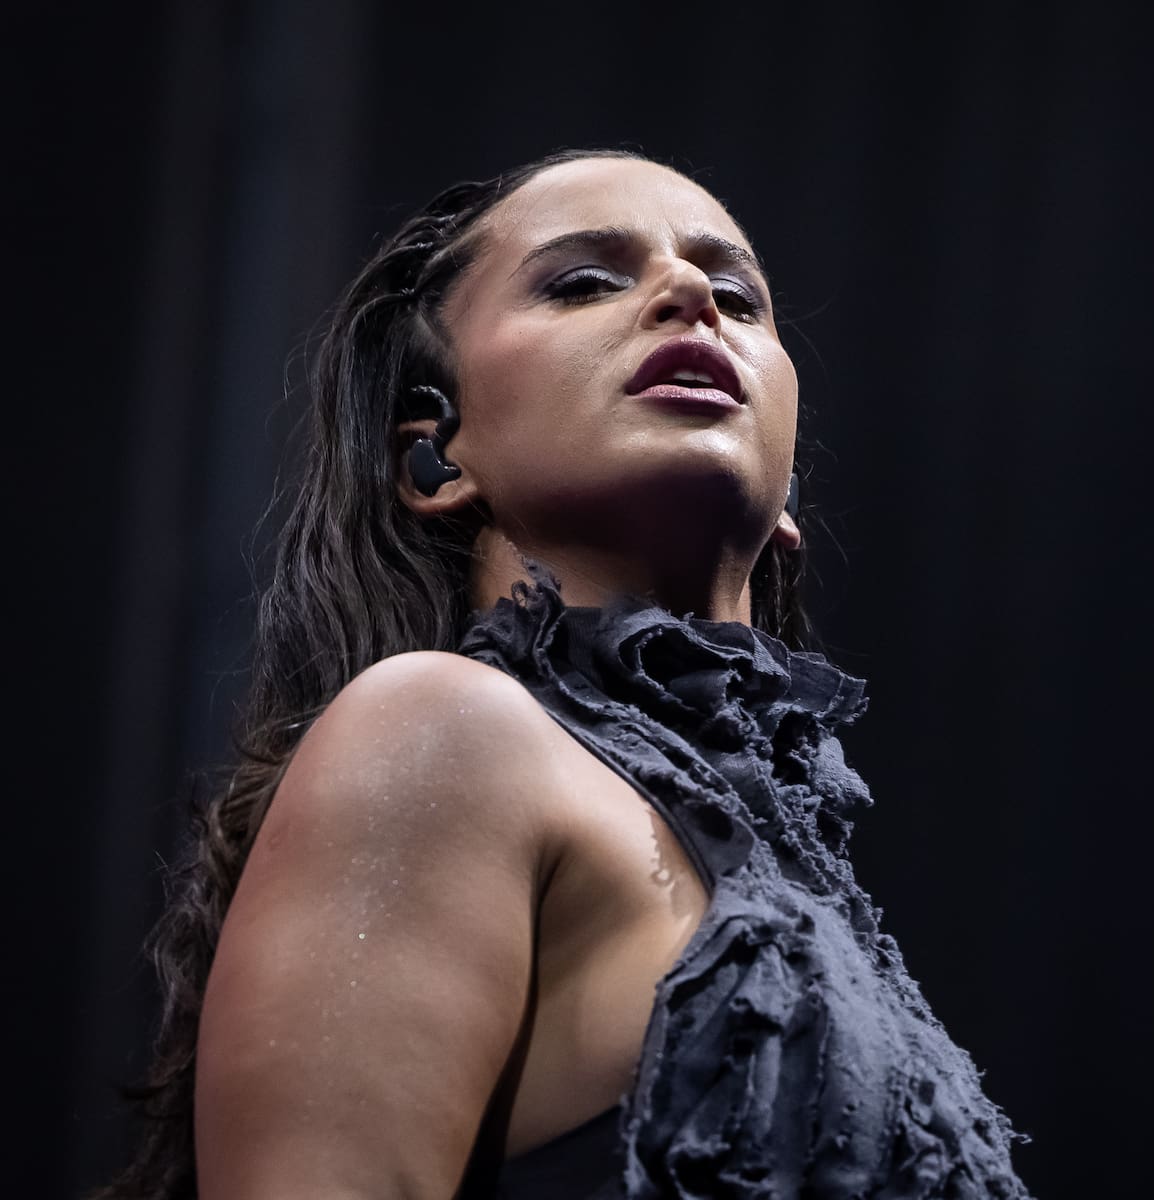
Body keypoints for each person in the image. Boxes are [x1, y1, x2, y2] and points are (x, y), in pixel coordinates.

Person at [96, 148, 1033, 1199]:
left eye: (737, 297)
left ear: (787, 504)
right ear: (436, 455)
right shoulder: (439, 728)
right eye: (584, 281)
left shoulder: (809, 886)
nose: (689, 295)